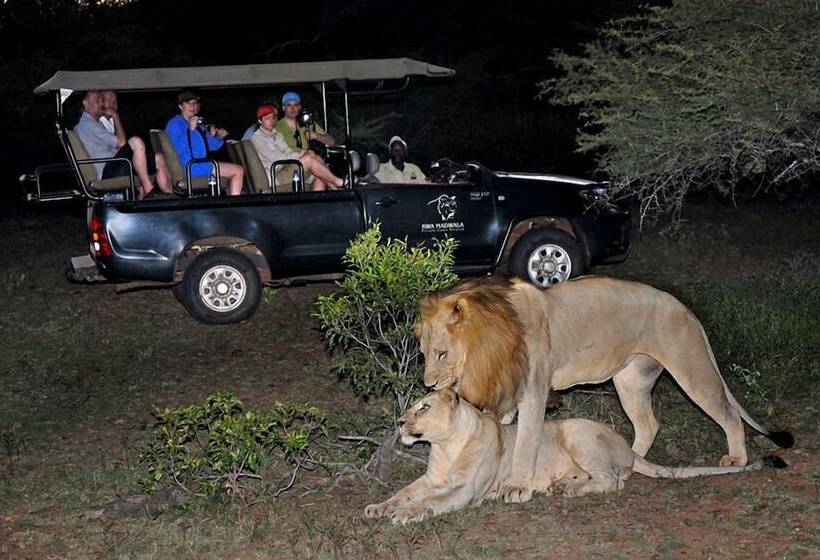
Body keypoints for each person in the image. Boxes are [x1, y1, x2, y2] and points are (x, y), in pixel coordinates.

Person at [74, 90, 172, 198]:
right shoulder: (87, 124)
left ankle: (170, 196)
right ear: (85, 103)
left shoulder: (97, 123)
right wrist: (115, 116)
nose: (101, 103)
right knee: (136, 142)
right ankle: (148, 188)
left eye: (102, 100)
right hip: (107, 170)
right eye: (97, 100)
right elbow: (121, 143)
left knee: (158, 158)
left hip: (116, 164)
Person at [165, 90, 244, 196]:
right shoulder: (174, 124)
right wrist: (191, 130)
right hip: (189, 166)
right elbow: (178, 149)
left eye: (195, 103)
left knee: (234, 172)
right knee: (238, 170)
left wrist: (218, 136)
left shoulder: (198, 124)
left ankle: (228, 204)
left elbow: (212, 146)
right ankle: (235, 206)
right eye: (188, 103)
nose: (192, 106)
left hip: (200, 163)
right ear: (180, 106)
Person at [250, 104, 344, 191]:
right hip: (275, 175)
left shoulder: (277, 135)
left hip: (286, 167)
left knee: (317, 166)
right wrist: (300, 155)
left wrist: (302, 153)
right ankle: (337, 182)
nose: (271, 121)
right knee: (308, 158)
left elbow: (287, 151)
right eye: (267, 118)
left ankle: (319, 201)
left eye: (272, 118)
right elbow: (276, 158)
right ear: (260, 121)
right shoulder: (257, 138)